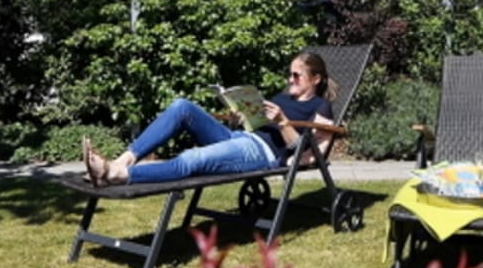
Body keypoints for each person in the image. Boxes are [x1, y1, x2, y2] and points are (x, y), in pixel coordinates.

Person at [83, 51, 338, 185]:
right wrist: (238, 117)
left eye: (296, 76)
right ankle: (124, 160)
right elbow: (256, 124)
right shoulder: (282, 97)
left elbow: (308, 150)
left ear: (316, 79)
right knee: (182, 106)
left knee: (192, 158)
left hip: (260, 153)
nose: (290, 80)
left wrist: (282, 122)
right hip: (240, 137)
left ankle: (117, 175)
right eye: (289, 74)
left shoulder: (320, 106)